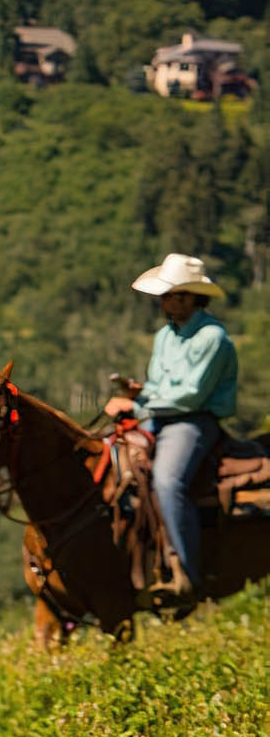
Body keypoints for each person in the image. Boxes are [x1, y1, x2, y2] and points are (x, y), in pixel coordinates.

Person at [106, 253, 238, 601]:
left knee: (167, 481)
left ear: (192, 297)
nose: (164, 301)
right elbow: (157, 385)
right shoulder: (166, 336)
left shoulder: (213, 338)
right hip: (158, 417)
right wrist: (140, 394)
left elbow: (192, 396)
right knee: (110, 463)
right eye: (164, 295)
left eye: (172, 295)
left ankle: (187, 572)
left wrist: (135, 405)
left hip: (193, 422)